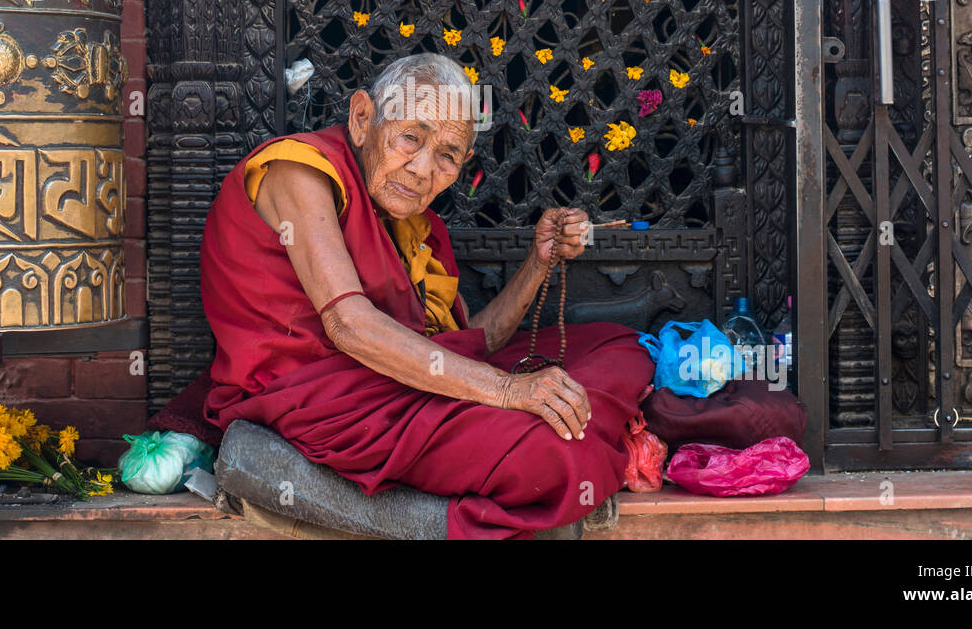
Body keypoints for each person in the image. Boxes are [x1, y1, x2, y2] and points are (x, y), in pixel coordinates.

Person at [200, 53, 655, 538]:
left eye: (447, 155)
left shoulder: (415, 226)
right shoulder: (299, 171)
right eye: (411, 138)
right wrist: (507, 392)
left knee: (618, 344)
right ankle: (423, 520)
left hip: (399, 382)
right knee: (555, 458)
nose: (421, 169)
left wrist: (537, 263)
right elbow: (348, 325)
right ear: (361, 119)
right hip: (325, 402)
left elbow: (469, 343)